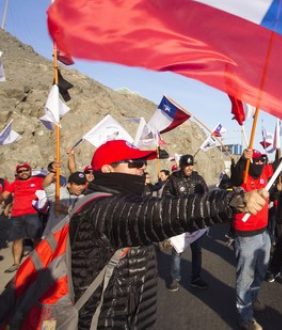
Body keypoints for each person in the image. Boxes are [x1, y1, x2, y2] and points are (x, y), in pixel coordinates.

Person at [37, 139, 264, 329]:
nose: (142, 168)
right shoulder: (102, 208)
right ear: (107, 169)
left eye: (143, 163)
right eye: (135, 163)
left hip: (130, 314)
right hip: (107, 320)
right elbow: (160, 213)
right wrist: (233, 201)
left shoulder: (118, 200)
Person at [229, 149, 272, 330]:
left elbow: (281, 162)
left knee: (261, 271)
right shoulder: (242, 175)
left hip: (264, 233)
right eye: (255, 160)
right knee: (245, 277)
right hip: (246, 235)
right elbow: (236, 178)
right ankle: (245, 317)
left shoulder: (265, 171)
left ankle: (253, 299)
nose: (259, 163)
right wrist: (242, 160)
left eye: (262, 160)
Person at [162, 154, 210, 291]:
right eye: (186, 165)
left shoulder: (198, 179)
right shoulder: (173, 179)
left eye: (191, 165)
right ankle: (175, 278)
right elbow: (165, 197)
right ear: (181, 165)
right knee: (177, 251)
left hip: (195, 221)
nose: (189, 168)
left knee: (197, 250)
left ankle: (196, 278)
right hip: (179, 221)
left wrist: (202, 195)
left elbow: (206, 195)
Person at [1, 163, 56, 273]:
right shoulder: (14, 184)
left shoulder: (37, 180)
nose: (23, 172)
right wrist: (4, 201)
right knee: (17, 239)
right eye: (20, 171)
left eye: (25, 170)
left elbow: (47, 182)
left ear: (30, 170)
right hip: (16, 215)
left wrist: (53, 171)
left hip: (32, 214)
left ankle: (39, 261)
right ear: (17, 173)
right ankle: (16, 263)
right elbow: (4, 195)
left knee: (36, 238)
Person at [41, 171, 89, 235]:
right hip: (52, 235)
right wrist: (54, 171)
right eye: (77, 184)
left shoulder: (84, 197)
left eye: (83, 184)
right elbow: (46, 184)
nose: (81, 187)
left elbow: (79, 213)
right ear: (69, 184)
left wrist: (64, 209)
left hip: (71, 236)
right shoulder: (58, 192)